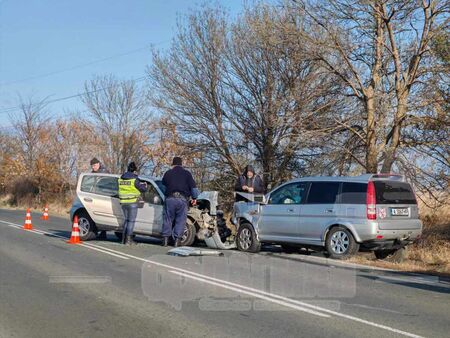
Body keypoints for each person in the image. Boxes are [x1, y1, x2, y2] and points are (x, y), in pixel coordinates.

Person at [161, 157, 198, 247]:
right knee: (181, 220)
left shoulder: (168, 173)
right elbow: (193, 188)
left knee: (168, 219)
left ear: (173, 164)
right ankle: (177, 241)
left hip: (170, 199)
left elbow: (163, 184)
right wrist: (194, 198)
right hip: (182, 200)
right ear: (181, 164)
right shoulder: (187, 174)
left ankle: (165, 240)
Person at [118, 162, 147, 245]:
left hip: (123, 202)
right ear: (134, 170)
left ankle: (123, 239)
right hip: (132, 202)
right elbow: (142, 189)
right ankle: (128, 240)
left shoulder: (121, 178)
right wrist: (144, 185)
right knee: (131, 221)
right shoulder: (135, 179)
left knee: (126, 220)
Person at [90, 157, 110, 239]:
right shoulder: (93, 173)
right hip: (96, 196)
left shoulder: (103, 172)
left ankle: (102, 232)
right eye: (92, 166)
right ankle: (99, 231)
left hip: (103, 196)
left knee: (102, 213)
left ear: (98, 164)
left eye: (94, 165)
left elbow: (104, 184)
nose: (93, 167)